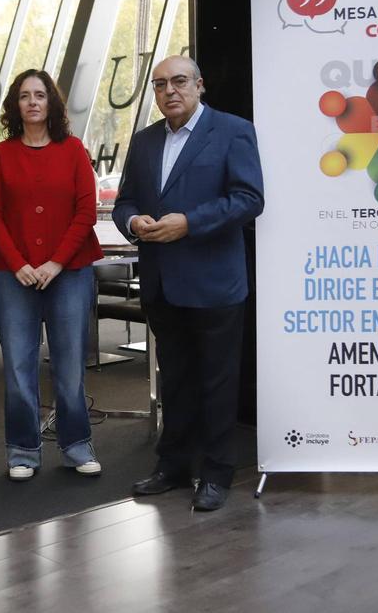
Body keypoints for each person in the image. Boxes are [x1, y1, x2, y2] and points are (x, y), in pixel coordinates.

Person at [112, 55, 264, 512]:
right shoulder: (143, 142)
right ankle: (172, 466)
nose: (169, 91)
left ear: (199, 85)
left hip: (214, 281)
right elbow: (125, 202)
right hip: (161, 283)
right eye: (159, 85)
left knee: (217, 382)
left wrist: (189, 224)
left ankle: (216, 474)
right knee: (174, 379)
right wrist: (132, 220)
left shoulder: (233, 130)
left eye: (179, 82)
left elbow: (249, 199)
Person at [0, 69, 104, 481]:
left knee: (69, 364)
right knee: (19, 365)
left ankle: (76, 446)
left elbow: (86, 212)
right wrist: (19, 264)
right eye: (24, 96)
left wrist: (55, 263)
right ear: (15, 106)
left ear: (51, 102)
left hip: (67, 272)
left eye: (40, 95)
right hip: (13, 275)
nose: (32, 102)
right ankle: (22, 451)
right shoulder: (2, 154)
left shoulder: (73, 150)